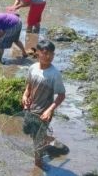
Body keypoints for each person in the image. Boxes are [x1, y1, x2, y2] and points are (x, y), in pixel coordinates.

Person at [22, 40, 66, 169]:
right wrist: (24, 96)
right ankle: (49, 139)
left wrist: (49, 110)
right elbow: (29, 86)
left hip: (44, 112)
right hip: (30, 109)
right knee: (27, 130)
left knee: (37, 141)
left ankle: (38, 163)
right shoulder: (33, 68)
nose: (49, 57)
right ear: (38, 53)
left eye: (52, 54)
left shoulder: (54, 74)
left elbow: (61, 95)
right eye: (45, 53)